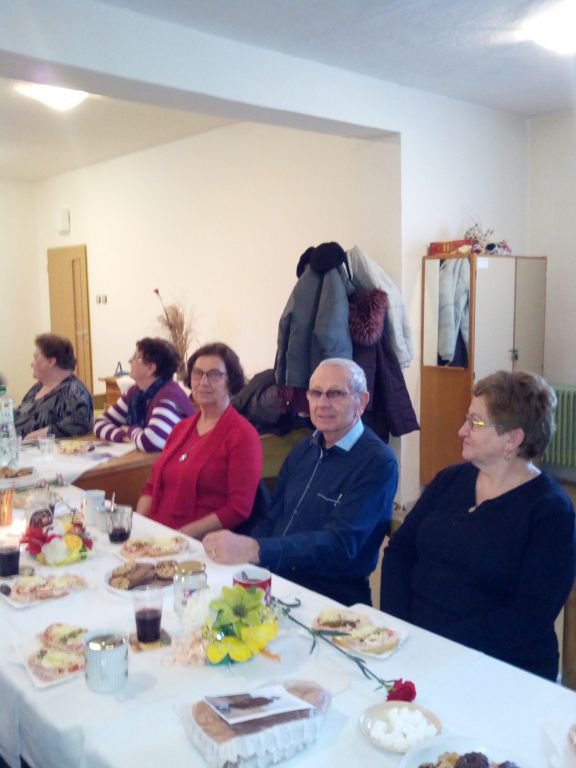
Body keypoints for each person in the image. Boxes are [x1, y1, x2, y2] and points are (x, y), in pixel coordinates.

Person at [380, 370, 576, 681]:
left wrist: (438, 644)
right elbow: (399, 552)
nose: (462, 430)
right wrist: (400, 628)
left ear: (513, 438)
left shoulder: (550, 511)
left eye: (475, 422)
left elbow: (529, 616)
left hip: (499, 667)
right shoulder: (450, 479)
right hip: (416, 647)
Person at [203, 358, 399, 607]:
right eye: (315, 393)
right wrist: (242, 554)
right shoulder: (304, 448)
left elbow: (340, 545)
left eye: (336, 394)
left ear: (361, 401)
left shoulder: (377, 462)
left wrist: (256, 549)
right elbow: (273, 517)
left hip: (330, 597)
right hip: (275, 579)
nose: (322, 403)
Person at [136, 342, 263, 538]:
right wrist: (138, 524)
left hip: (198, 543)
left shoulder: (243, 435)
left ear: (230, 382)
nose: (203, 382)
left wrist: (180, 536)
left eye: (214, 375)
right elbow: (152, 486)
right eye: (197, 373)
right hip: (156, 536)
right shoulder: (180, 429)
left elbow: (238, 508)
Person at [94, 337, 195, 452]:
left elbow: (151, 442)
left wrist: (130, 430)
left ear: (150, 368)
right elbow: (100, 423)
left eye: (135, 358)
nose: (130, 361)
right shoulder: (135, 392)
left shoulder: (169, 396)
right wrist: (122, 435)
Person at [14, 333, 93, 441]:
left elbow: (79, 425)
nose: (32, 364)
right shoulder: (38, 387)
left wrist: (35, 436)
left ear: (51, 362)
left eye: (36, 357)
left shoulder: (75, 392)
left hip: (39, 449)